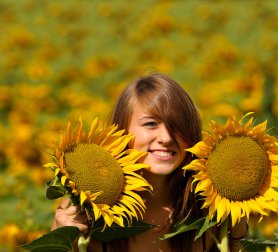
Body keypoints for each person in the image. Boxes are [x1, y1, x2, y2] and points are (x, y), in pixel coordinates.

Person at [51, 72, 248, 251]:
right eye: (151, 124)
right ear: (122, 130)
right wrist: (61, 239)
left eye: (177, 126)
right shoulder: (88, 203)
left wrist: (238, 231)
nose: (166, 138)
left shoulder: (210, 206)